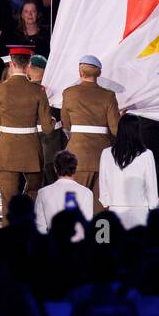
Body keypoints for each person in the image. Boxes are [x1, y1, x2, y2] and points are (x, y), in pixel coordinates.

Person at [0, 44, 54, 222]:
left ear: (11, 64)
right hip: (30, 151)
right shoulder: (38, 91)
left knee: (7, 204)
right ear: (27, 66)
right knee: (33, 194)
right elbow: (48, 127)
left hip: (6, 149)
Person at [60, 55, 121, 210]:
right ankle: (103, 235)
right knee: (101, 206)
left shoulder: (68, 93)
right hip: (102, 155)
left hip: (77, 153)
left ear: (80, 73)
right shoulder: (108, 95)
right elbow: (116, 129)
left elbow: (66, 123)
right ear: (99, 73)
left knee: (74, 205)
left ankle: (75, 234)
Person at [97, 113, 159, 230]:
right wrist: (152, 204)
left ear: (120, 130)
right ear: (138, 131)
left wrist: (106, 202)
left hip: (115, 210)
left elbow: (103, 184)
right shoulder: (146, 154)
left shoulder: (106, 153)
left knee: (116, 246)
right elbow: (151, 185)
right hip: (140, 211)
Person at [35, 149, 94, 234]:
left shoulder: (43, 193)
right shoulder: (87, 193)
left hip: (52, 244)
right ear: (75, 168)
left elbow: (40, 227)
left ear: (55, 168)